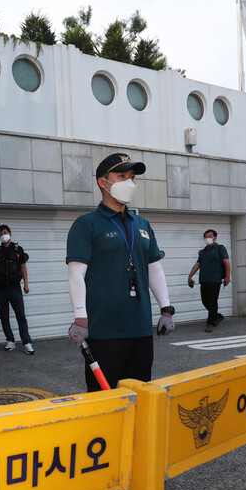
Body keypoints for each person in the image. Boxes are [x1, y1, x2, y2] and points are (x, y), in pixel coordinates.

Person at [66, 152, 176, 391]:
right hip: (104, 331)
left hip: (140, 329)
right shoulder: (86, 224)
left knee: (139, 396)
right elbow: (76, 274)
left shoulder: (142, 224)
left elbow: (154, 267)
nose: (129, 182)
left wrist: (166, 308)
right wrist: (80, 317)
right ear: (102, 182)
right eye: (121, 175)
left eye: (132, 177)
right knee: (102, 402)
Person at [0, 225, 34, 355]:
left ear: (10, 234)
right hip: (0, 289)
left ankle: (27, 342)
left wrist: (26, 284)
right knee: (4, 316)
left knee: (20, 316)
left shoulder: (18, 250)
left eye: (5, 232)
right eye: (1, 233)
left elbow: (23, 268)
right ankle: (10, 340)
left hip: (15, 288)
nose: (3, 235)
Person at [187, 228, 231, 332]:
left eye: (210, 237)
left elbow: (226, 262)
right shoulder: (203, 252)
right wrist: (190, 276)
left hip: (215, 280)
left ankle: (210, 324)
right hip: (204, 280)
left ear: (215, 238)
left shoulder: (220, 248)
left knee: (212, 301)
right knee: (205, 301)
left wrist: (227, 276)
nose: (207, 239)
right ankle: (217, 316)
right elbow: (197, 264)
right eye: (206, 237)